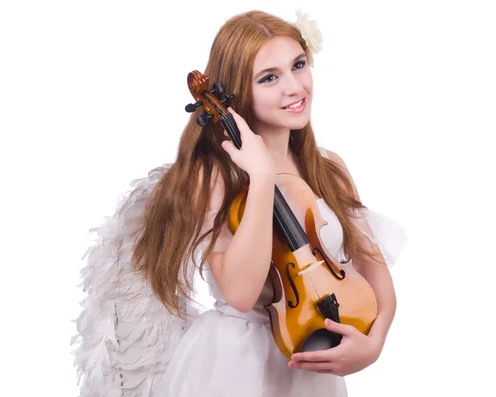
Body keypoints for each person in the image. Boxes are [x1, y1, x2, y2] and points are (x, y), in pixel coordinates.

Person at [71, 9, 406, 397]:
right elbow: (242, 294)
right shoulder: (213, 177)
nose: (295, 87)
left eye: (298, 65)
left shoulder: (329, 166)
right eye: (270, 78)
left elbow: (373, 268)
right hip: (238, 367)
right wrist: (262, 179)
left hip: (316, 356)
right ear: (238, 93)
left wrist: (374, 343)